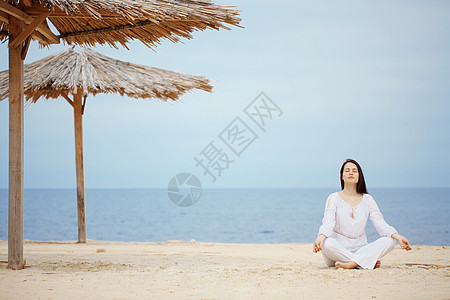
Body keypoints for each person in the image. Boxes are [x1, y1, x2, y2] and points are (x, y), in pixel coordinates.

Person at [313, 159, 411, 269]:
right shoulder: (333, 198)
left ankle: (353, 264)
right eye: (347, 171)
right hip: (337, 253)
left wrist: (398, 237)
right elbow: (328, 222)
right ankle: (364, 262)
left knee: (390, 241)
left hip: (361, 248)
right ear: (342, 176)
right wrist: (321, 237)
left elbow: (380, 224)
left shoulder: (368, 199)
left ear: (359, 176)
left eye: (355, 171)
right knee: (327, 243)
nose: (351, 173)